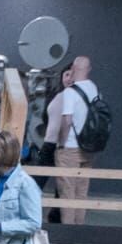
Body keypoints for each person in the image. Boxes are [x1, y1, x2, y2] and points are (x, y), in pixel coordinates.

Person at [49, 55, 101, 224]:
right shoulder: (94, 89)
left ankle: (68, 232)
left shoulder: (71, 92)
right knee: (81, 191)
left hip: (70, 147)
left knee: (67, 192)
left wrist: (62, 144)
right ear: (89, 69)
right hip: (89, 147)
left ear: (73, 69)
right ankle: (79, 229)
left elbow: (67, 120)